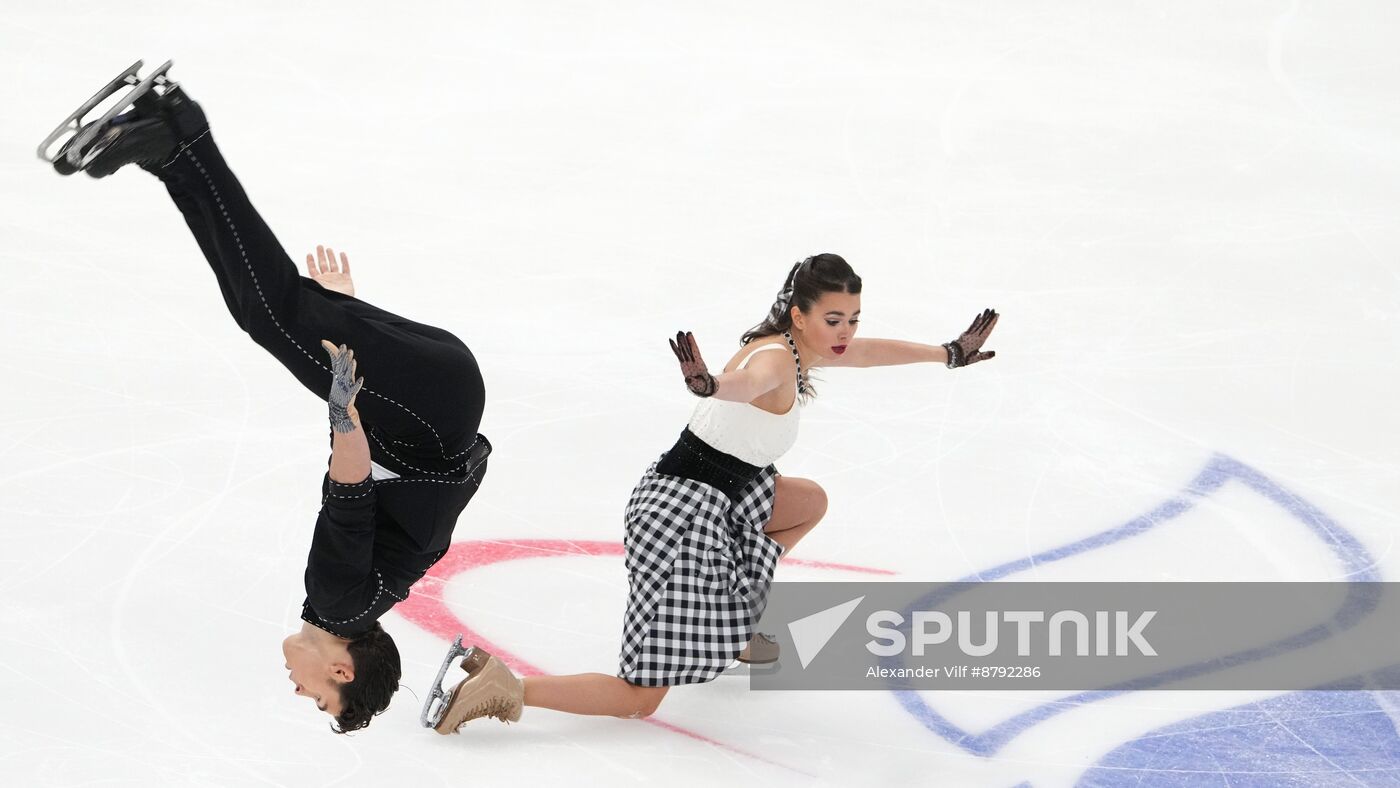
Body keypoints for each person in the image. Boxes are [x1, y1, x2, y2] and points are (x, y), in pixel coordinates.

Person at [42, 62, 491, 733]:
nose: (298, 691)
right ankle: (178, 134)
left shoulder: (378, 591)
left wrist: (346, 320)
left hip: (445, 396)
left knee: (277, 317)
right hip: (425, 411)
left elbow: (407, 480)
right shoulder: (339, 603)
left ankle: (169, 155)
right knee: (273, 314)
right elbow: (352, 482)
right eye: (318, 698)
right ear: (342, 671)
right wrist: (343, 399)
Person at [425, 253, 998, 733]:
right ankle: (506, 688)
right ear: (800, 315)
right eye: (834, 320)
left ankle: (735, 624)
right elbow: (748, 384)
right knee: (640, 698)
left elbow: (869, 351)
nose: (845, 333)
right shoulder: (776, 358)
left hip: (722, 495)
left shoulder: (797, 343)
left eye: (851, 318)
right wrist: (711, 385)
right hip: (680, 518)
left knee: (807, 502)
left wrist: (946, 352)